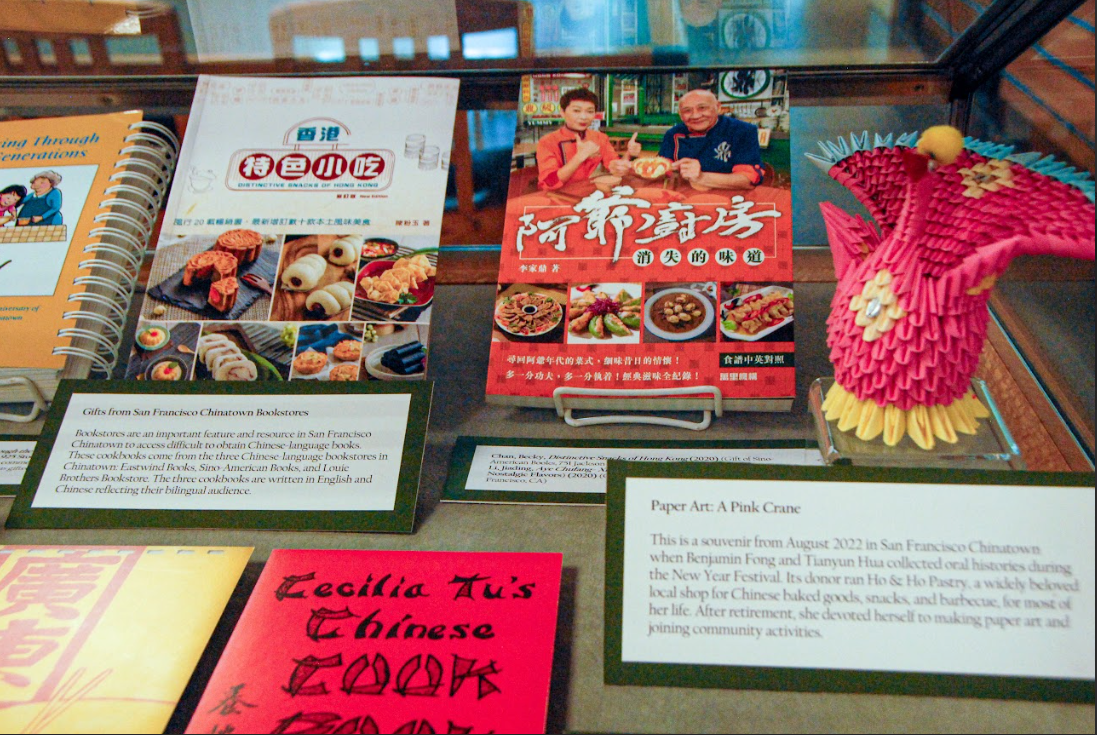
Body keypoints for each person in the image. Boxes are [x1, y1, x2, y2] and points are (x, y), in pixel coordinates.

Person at [658, 89, 764, 190]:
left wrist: (701, 177)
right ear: (681, 115)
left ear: (718, 107)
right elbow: (661, 170)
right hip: (686, 196)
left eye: (702, 108)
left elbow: (748, 180)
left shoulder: (742, 130)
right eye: (687, 111)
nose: (695, 115)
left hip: (730, 198)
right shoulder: (673, 134)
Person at [536, 87, 640, 191]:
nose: (584, 117)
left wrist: (629, 154)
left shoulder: (600, 137)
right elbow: (548, 183)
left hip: (586, 193)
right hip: (556, 196)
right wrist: (580, 157)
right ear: (562, 112)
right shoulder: (547, 142)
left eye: (590, 111)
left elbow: (615, 167)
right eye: (576, 111)